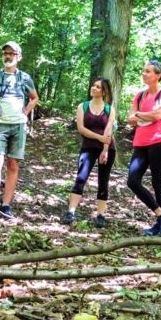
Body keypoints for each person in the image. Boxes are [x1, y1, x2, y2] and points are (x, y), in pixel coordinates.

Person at [0, 41, 39, 219]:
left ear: (19, 57)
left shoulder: (25, 78)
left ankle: (6, 205)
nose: (8, 56)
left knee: (13, 164)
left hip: (18, 126)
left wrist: (25, 113)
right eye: (5, 53)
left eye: (12, 53)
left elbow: (34, 98)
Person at [126, 61, 161, 236]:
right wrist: (144, 116)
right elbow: (129, 118)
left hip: (158, 142)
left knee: (157, 182)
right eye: (143, 71)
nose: (144, 74)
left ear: (158, 75)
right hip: (140, 142)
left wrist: (139, 115)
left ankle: (160, 224)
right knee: (132, 181)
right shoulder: (139, 96)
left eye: (148, 71)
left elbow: (158, 115)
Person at [61, 78, 117, 228]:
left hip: (107, 148)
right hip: (88, 147)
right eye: (93, 85)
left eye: (98, 87)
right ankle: (71, 212)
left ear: (104, 92)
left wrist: (105, 149)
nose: (93, 88)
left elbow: (109, 129)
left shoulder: (109, 109)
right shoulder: (83, 106)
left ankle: (101, 215)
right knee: (81, 177)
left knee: (103, 180)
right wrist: (99, 137)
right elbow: (81, 129)